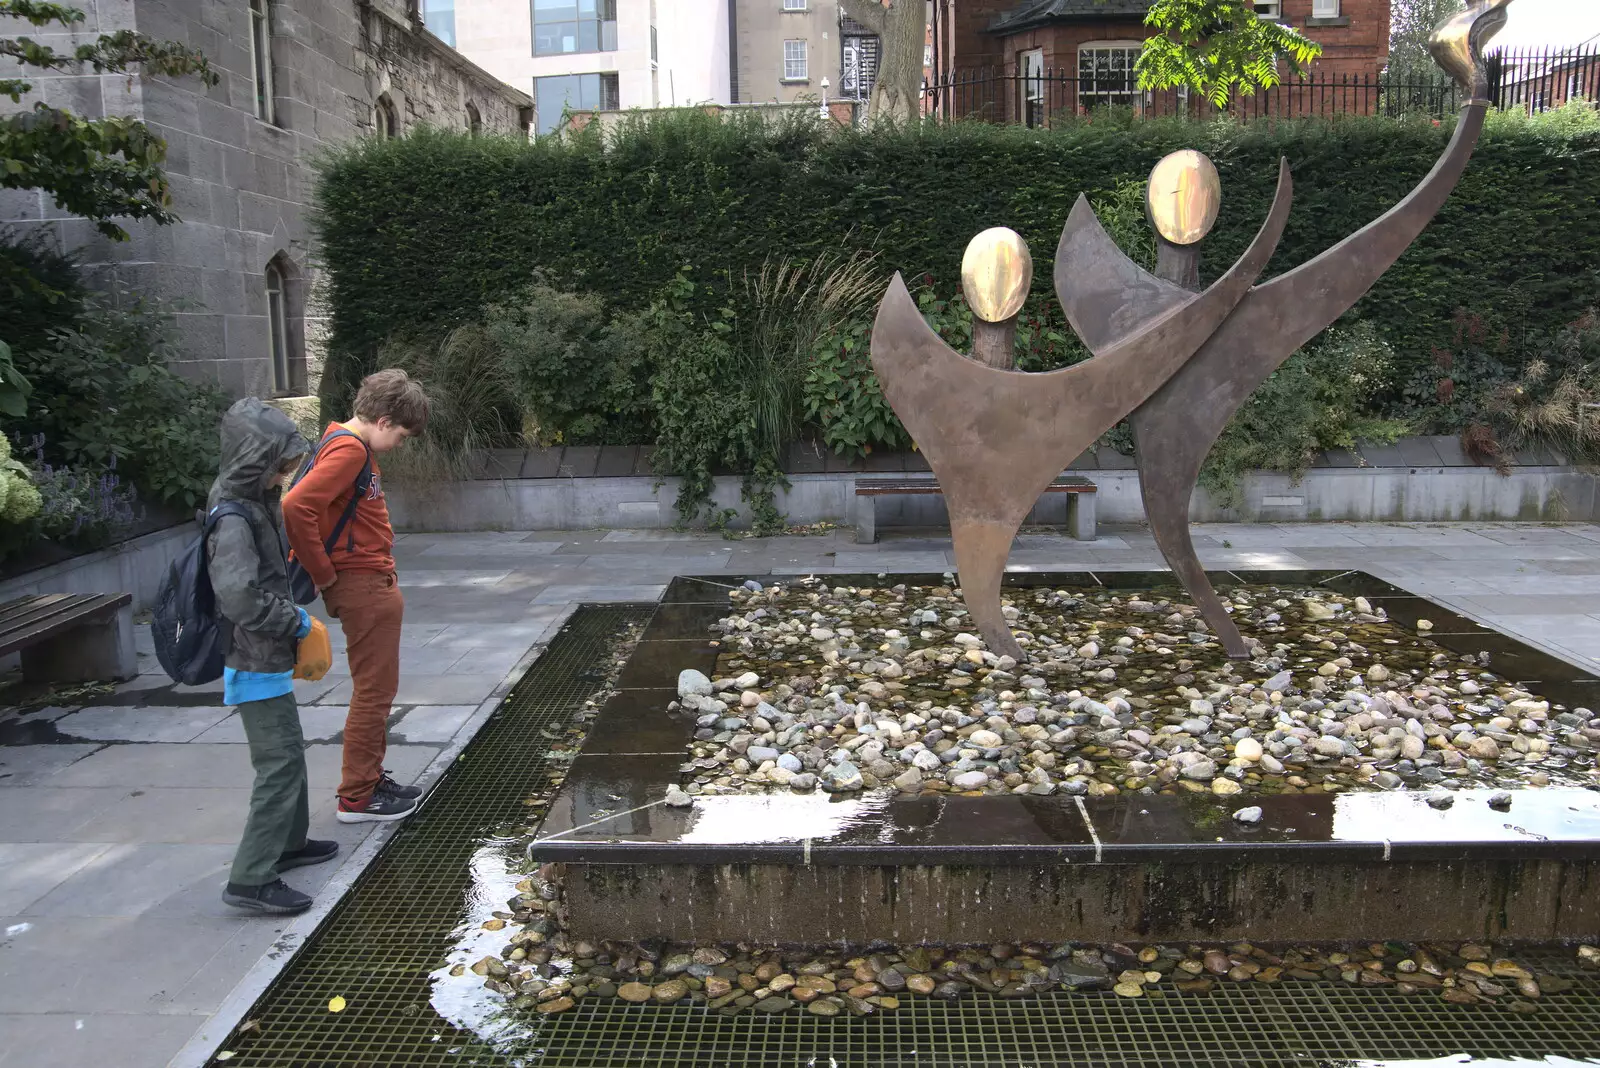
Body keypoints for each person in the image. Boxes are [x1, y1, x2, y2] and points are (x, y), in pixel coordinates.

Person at [210, 398, 339, 915]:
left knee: (289, 753)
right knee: (279, 764)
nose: (288, 473)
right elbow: (238, 597)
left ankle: (289, 844)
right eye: (282, 464)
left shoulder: (250, 498)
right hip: (252, 659)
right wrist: (298, 621)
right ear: (253, 460)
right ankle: (250, 877)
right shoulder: (234, 518)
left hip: (268, 655)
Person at [283, 369, 430, 823]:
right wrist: (325, 576)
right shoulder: (349, 449)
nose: (400, 444)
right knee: (374, 692)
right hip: (361, 584)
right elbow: (295, 506)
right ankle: (358, 797)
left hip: (366, 582)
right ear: (384, 421)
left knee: (376, 689)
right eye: (402, 434)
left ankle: (368, 779)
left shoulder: (339, 441)